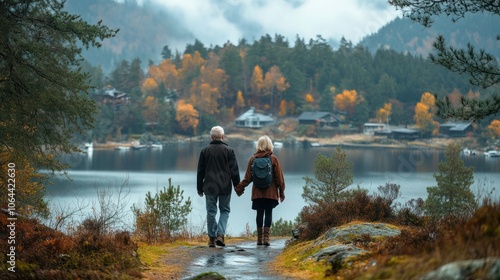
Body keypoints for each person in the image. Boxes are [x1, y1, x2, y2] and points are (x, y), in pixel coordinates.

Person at [235, 135, 285, 246]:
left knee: (259, 213)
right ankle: (266, 239)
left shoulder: (253, 159)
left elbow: (248, 178)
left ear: (259, 145)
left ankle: (259, 239)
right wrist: (281, 192)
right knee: (268, 212)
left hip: (257, 193)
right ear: (270, 145)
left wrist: (239, 188)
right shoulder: (273, 159)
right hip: (270, 193)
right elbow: (279, 178)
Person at [197, 126, 241, 247]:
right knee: (225, 210)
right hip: (225, 187)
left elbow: (200, 171)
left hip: (209, 188)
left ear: (211, 137)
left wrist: (199, 188)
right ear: (222, 137)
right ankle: (220, 234)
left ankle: (212, 238)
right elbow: (235, 171)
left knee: (211, 211)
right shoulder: (229, 151)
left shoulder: (205, 151)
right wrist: (238, 186)